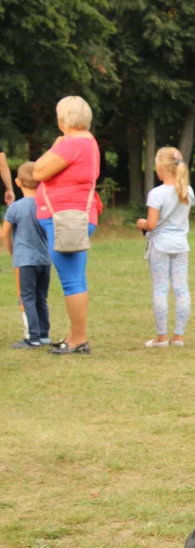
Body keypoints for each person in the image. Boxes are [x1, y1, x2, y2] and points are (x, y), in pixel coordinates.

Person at [32, 95, 102, 355]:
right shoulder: (87, 142)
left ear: (64, 118)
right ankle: (75, 335)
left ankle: (78, 339)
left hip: (66, 220)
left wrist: (56, 144)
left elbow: (38, 171)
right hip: (72, 219)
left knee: (72, 281)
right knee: (75, 279)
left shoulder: (72, 144)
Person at [137, 147, 193, 348]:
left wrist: (142, 223)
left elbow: (152, 224)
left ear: (160, 167)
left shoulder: (157, 194)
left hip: (160, 245)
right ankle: (178, 336)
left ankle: (161, 337)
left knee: (161, 289)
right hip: (181, 245)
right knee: (181, 289)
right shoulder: (187, 191)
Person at [1, 163, 50, 348]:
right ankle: (44, 333)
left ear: (17, 182)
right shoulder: (45, 205)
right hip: (45, 259)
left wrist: (12, 250)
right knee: (41, 297)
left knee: (26, 297)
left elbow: (4, 233)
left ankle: (32, 337)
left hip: (24, 260)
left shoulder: (16, 207)